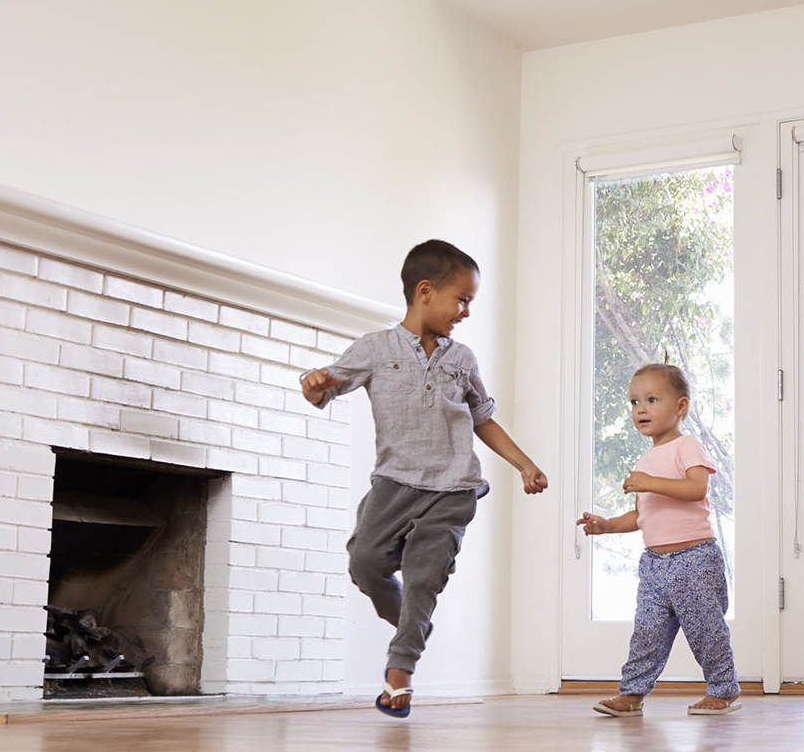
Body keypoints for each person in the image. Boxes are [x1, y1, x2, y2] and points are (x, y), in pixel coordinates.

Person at [300, 239, 548, 717]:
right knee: (365, 563)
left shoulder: (463, 360)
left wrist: (524, 464)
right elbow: (324, 388)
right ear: (425, 291)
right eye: (462, 300)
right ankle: (413, 625)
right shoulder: (375, 349)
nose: (466, 312)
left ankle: (399, 674)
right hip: (394, 483)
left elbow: (483, 419)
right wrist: (313, 386)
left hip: (453, 488)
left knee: (422, 578)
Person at [577, 362, 741, 716]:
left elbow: (696, 489)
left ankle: (724, 690)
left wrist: (649, 481)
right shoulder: (647, 458)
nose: (641, 409)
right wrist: (606, 524)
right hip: (654, 565)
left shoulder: (687, 446)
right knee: (646, 632)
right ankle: (632, 694)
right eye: (634, 402)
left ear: (680, 406)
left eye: (652, 399)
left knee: (705, 629)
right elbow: (643, 515)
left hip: (693, 559)